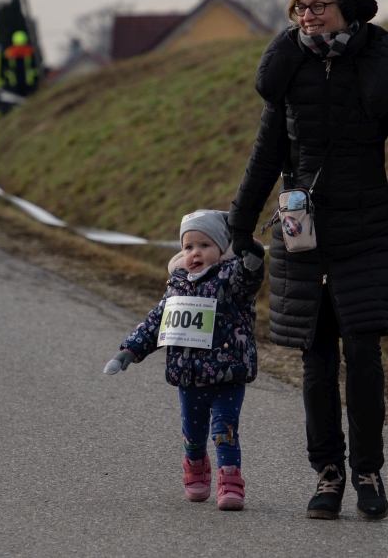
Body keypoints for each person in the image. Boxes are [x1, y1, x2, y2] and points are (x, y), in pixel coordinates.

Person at [228, 0, 388, 521]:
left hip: (366, 230)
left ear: (347, 7)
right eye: (300, 7)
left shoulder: (382, 69)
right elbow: (265, 157)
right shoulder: (288, 69)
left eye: (319, 5)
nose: (308, 15)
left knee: (363, 353)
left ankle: (369, 473)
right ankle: (327, 475)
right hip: (301, 233)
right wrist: (238, 225)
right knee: (317, 356)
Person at [103, 210, 266, 511]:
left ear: (221, 248)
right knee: (193, 433)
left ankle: (230, 481)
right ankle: (195, 466)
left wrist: (252, 257)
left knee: (223, 431)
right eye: (188, 247)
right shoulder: (176, 284)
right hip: (188, 376)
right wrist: (130, 350)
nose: (195, 253)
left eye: (204, 245)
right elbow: (156, 322)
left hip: (227, 375)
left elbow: (248, 278)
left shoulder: (230, 278)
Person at [4, 30, 38, 98]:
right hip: (29, 81)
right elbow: (34, 65)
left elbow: (7, 67)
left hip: (14, 82)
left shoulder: (9, 52)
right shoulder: (29, 50)